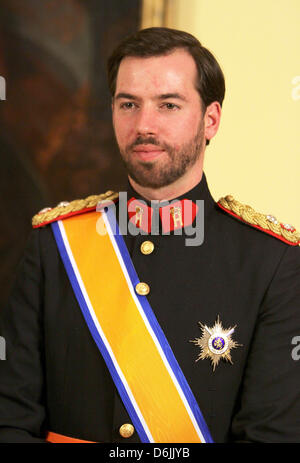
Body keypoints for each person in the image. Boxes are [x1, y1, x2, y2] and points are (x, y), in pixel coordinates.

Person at [0, 27, 299, 444]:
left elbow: (273, 435)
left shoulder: (271, 261)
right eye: (128, 104)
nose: (144, 124)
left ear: (210, 120)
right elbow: (9, 417)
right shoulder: (54, 245)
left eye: (169, 105)